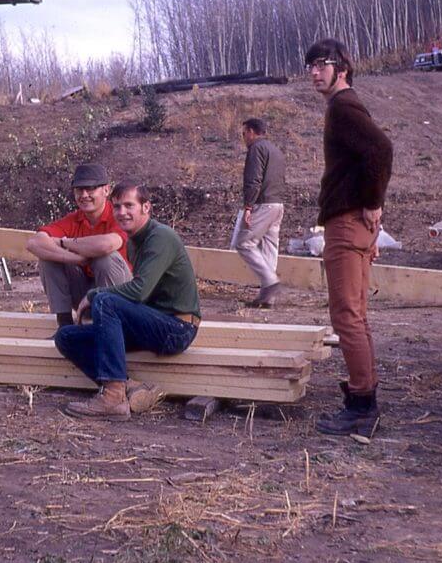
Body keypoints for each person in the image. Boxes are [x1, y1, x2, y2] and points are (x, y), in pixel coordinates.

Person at [54, 183, 202, 420]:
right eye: (117, 206)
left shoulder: (160, 237)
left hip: (177, 328)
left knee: (105, 300)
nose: (122, 212)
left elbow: (139, 291)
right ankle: (129, 387)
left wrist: (92, 295)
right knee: (67, 337)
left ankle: (112, 397)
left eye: (129, 205)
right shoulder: (134, 241)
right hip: (154, 323)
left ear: (146, 207)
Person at [307, 38, 393, 435]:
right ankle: (365, 399)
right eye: (310, 66)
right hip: (353, 222)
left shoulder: (343, 106)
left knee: (346, 317)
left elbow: (380, 149)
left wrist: (373, 203)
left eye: (321, 64)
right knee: (356, 316)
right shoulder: (346, 105)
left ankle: (361, 407)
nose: (313, 72)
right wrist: (372, 214)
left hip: (345, 223)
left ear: (341, 68)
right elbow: (369, 158)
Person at [25, 162, 132, 327]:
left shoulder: (120, 215)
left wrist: (63, 242)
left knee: (105, 259)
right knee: (48, 258)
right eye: (79, 190)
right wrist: (76, 259)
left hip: (121, 296)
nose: (84, 195)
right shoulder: (74, 219)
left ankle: (107, 326)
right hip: (86, 295)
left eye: (90, 189)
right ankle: (65, 325)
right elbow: (34, 243)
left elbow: (105, 245)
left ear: (106, 190)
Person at [232, 118, 286, 307]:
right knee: (269, 248)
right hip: (278, 204)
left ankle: (270, 283)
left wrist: (248, 206)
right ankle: (267, 298)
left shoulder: (256, 149)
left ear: (253, 131)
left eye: (244, 133)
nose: (244, 137)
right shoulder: (276, 150)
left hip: (263, 204)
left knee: (244, 243)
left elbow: (253, 180)